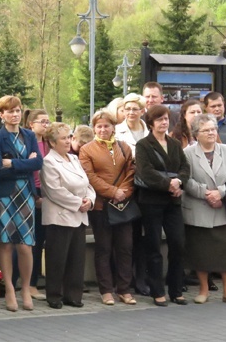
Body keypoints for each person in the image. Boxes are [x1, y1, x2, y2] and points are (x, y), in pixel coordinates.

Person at [0, 96, 43, 312]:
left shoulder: (29, 135)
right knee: (6, 243)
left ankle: (25, 288)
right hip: (5, 195)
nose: (14, 114)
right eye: (9, 111)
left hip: (25, 194)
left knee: (25, 244)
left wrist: (13, 162)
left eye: (18, 110)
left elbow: (38, 162)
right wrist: (25, 163)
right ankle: (9, 288)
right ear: (1, 114)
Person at [135, 104, 190, 307]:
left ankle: (176, 289)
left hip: (173, 201)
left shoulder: (174, 144)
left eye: (166, 119)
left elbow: (185, 167)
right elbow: (145, 172)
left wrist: (179, 182)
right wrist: (169, 184)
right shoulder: (143, 145)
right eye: (159, 119)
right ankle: (157, 290)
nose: (164, 122)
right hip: (151, 201)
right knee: (154, 245)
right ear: (151, 123)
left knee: (177, 243)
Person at [79, 111, 136, 306]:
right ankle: (106, 290)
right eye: (99, 126)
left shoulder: (124, 147)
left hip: (123, 205)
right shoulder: (87, 149)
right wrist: (112, 192)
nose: (103, 130)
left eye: (107, 126)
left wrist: (124, 192)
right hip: (101, 206)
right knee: (103, 248)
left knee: (125, 247)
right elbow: (90, 176)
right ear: (94, 128)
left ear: (113, 127)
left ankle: (124, 289)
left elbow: (131, 171)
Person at [182, 114, 226, 305]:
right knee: (201, 252)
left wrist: (220, 193)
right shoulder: (188, 153)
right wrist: (206, 193)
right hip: (199, 207)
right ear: (196, 133)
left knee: (225, 251)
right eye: (206, 130)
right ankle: (204, 290)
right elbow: (186, 179)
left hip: (222, 207)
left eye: (214, 129)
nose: (211, 133)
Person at [40, 122, 95, 309]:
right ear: (53, 143)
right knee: (57, 258)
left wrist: (90, 200)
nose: (68, 141)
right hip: (60, 217)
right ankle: (55, 295)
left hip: (79, 216)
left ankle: (73, 295)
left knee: (76, 259)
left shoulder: (74, 159)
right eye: (63, 138)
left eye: (69, 137)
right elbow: (55, 191)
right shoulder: (48, 162)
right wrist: (79, 203)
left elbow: (86, 184)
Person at [114, 92, 149, 297]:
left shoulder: (149, 131)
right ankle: (124, 279)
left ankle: (141, 278)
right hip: (126, 187)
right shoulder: (117, 131)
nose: (131, 112)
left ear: (142, 111)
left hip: (147, 189)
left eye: (135, 109)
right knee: (127, 236)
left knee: (143, 236)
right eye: (127, 109)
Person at [14, 109, 50, 301]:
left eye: (48, 122)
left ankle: (33, 283)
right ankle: (16, 282)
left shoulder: (48, 143)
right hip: (29, 192)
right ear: (31, 124)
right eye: (42, 121)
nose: (46, 125)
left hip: (47, 193)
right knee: (24, 241)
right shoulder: (26, 141)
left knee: (39, 241)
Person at [204, 91, 226, 168]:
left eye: (219, 105)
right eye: (213, 106)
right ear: (205, 108)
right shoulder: (199, 128)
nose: (217, 109)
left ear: (224, 105)